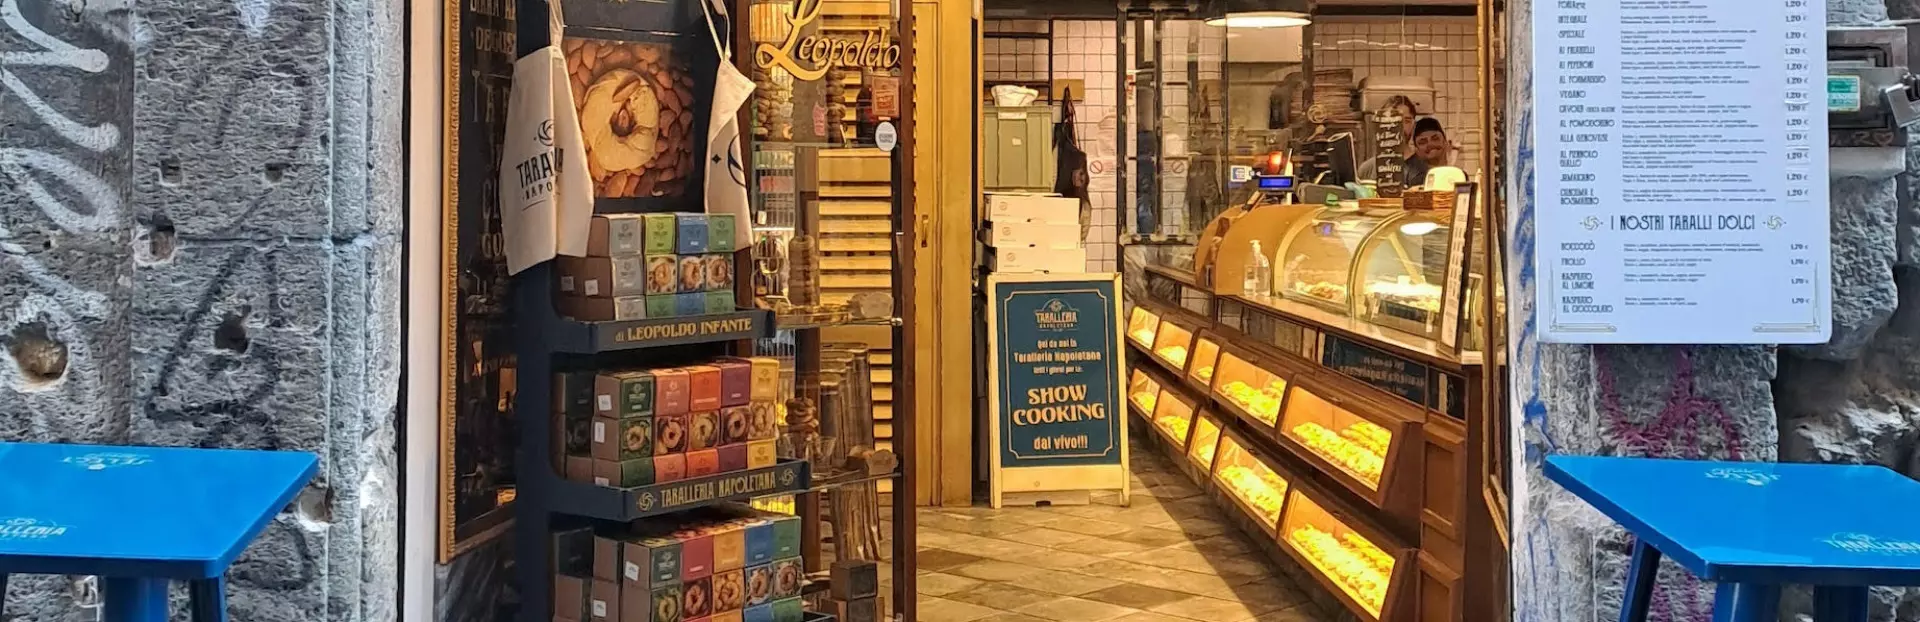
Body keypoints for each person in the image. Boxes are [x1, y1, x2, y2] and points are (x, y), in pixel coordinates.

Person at [1404, 116, 1451, 188]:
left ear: (1445, 142)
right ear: (1416, 149)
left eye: (1435, 139)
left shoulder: (1458, 174)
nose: (1430, 145)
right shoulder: (1404, 174)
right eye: (1423, 142)